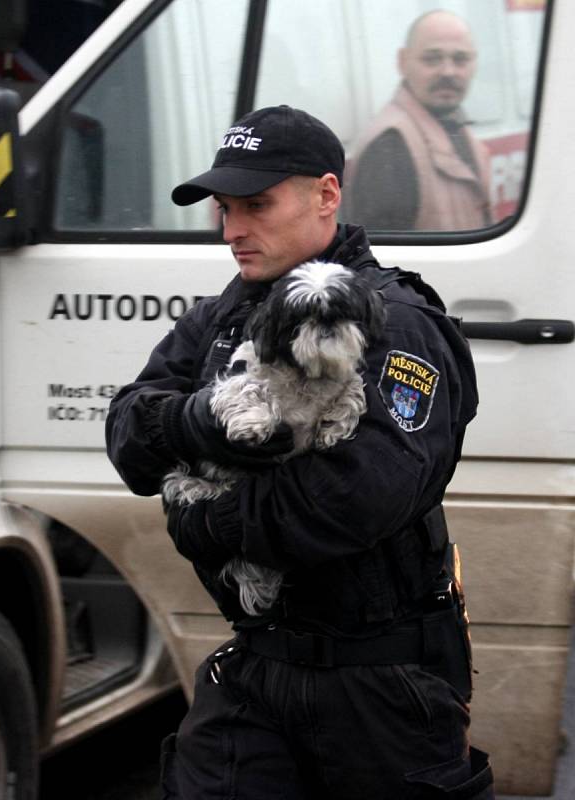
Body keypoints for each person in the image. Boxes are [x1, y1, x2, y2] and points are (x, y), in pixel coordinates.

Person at [105, 104, 494, 799]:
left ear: (326, 195)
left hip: (379, 685)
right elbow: (129, 437)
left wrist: (204, 520)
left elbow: (352, 499)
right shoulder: (221, 317)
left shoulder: (396, 321)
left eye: (256, 205)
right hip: (255, 668)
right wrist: (206, 420)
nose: (233, 231)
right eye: (224, 210)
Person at [347, 9, 492, 231]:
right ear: (403, 62)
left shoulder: (457, 129)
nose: (448, 71)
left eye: (460, 59)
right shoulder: (391, 144)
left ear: (474, 63)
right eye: (432, 59)